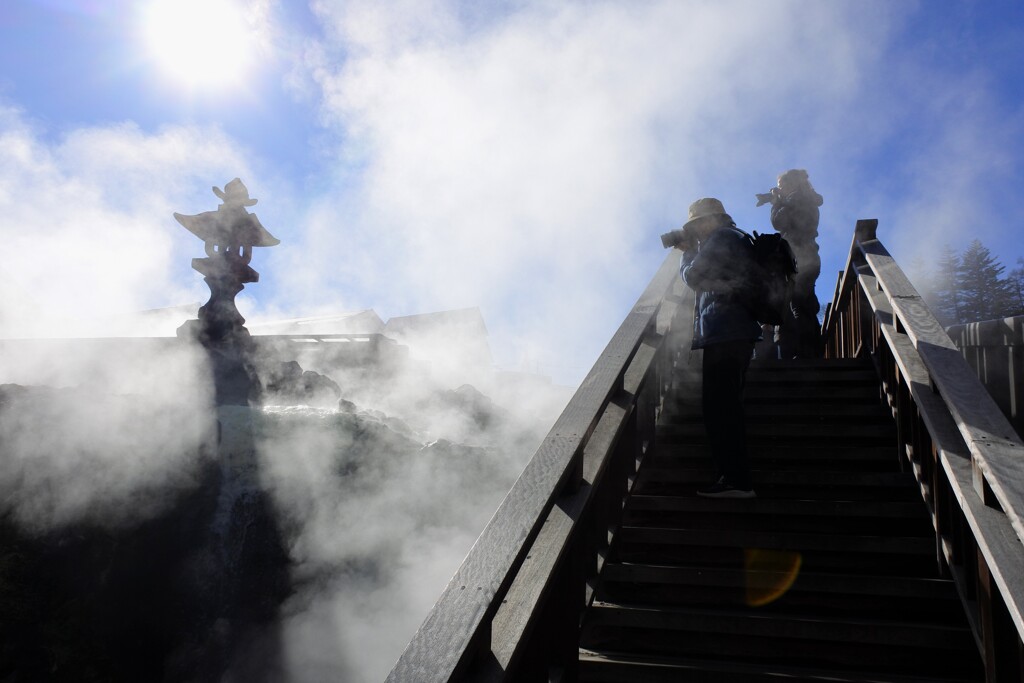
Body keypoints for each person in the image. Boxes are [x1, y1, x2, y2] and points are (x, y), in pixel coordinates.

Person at [677, 198, 762, 498]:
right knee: (724, 406)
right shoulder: (735, 236)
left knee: (720, 409)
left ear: (712, 220)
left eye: (698, 223)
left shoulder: (722, 238)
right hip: (734, 330)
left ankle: (735, 480)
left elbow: (693, 277)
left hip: (726, 331)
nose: (696, 230)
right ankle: (733, 478)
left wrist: (686, 254)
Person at [756, 169, 824, 359]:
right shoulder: (806, 198)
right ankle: (810, 352)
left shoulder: (796, 199)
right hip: (808, 255)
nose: (778, 189)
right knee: (805, 303)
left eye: (780, 186)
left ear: (792, 184)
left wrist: (776, 203)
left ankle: (801, 354)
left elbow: (778, 222)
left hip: (796, 257)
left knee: (795, 306)